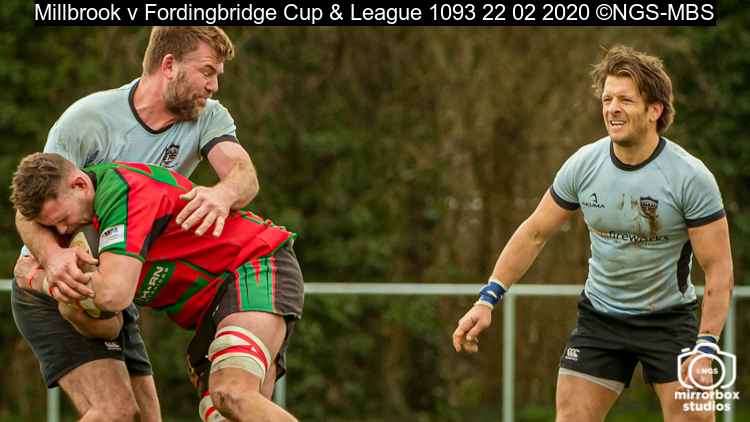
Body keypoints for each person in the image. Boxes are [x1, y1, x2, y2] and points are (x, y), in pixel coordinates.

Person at [452, 46, 733, 422]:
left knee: (694, 418)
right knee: (572, 417)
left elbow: (719, 268)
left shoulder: (690, 177)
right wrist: (486, 301)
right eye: (607, 99)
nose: (612, 108)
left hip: (668, 321)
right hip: (601, 319)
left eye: (625, 100)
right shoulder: (584, 165)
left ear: (655, 110)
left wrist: (706, 346)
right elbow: (534, 233)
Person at [11, 26, 259, 421]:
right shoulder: (86, 120)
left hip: (114, 283)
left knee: (143, 417)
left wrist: (223, 193)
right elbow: (31, 208)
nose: (214, 86)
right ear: (169, 65)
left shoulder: (208, 116)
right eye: (207, 71)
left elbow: (244, 174)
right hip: (55, 285)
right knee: (116, 413)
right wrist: (52, 261)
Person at [12, 154, 303, 422]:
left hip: (253, 266)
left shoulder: (122, 191)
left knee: (232, 394)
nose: (62, 231)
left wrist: (42, 280)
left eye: (63, 219)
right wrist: (64, 289)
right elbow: (110, 327)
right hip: (210, 310)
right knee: (223, 413)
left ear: (80, 185)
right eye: (53, 226)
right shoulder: (75, 227)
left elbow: (113, 295)